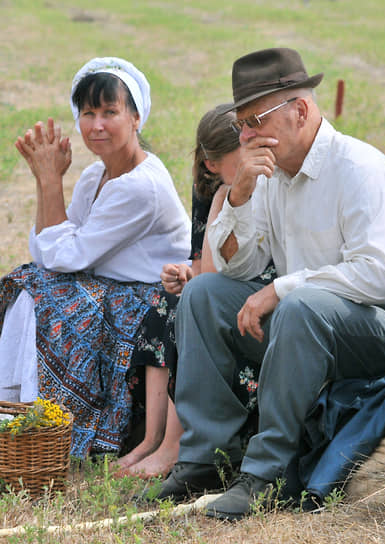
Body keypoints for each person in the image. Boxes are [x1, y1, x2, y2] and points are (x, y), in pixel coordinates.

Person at [150, 48, 385, 518]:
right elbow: (237, 268)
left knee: (300, 305)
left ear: (300, 110)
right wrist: (237, 196)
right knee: (201, 294)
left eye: (256, 120)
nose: (248, 136)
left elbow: (376, 276)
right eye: (242, 125)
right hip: (310, 327)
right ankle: (205, 459)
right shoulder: (270, 174)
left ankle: (265, 475)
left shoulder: (359, 168)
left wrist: (282, 288)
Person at [0, 57, 191, 458]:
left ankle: (40, 422)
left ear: (136, 118)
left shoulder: (140, 187)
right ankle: (15, 415)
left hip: (151, 300)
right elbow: (49, 253)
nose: (97, 125)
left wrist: (48, 181)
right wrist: (49, 183)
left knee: (40, 290)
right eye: (88, 113)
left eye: (110, 112)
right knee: (31, 282)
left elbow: (67, 256)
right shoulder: (93, 178)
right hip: (111, 289)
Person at [118, 105, 274, 478]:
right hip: (222, 285)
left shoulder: (267, 182)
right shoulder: (211, 191)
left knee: (192, 305)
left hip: (256, 296)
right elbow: (205, 265)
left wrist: (199, 279)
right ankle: (151, 439)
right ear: (212, 166)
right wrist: (186, 273)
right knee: (167, 302)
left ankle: (174, 446)